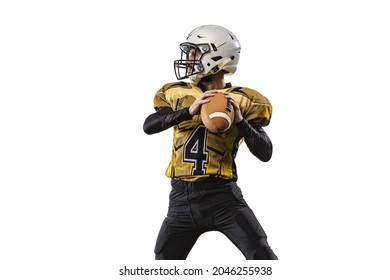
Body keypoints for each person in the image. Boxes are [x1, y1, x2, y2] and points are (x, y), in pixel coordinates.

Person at [143, 24, 278, 260]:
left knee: (262, 256)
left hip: (223, 198)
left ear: (216, 56)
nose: (189, 58)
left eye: (196, 52)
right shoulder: (177, 94)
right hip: (181, 199)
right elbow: (149, 126)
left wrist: (240, 122)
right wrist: (188, 111)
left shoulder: (242, 100)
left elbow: (266, 152)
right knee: (163, 263)